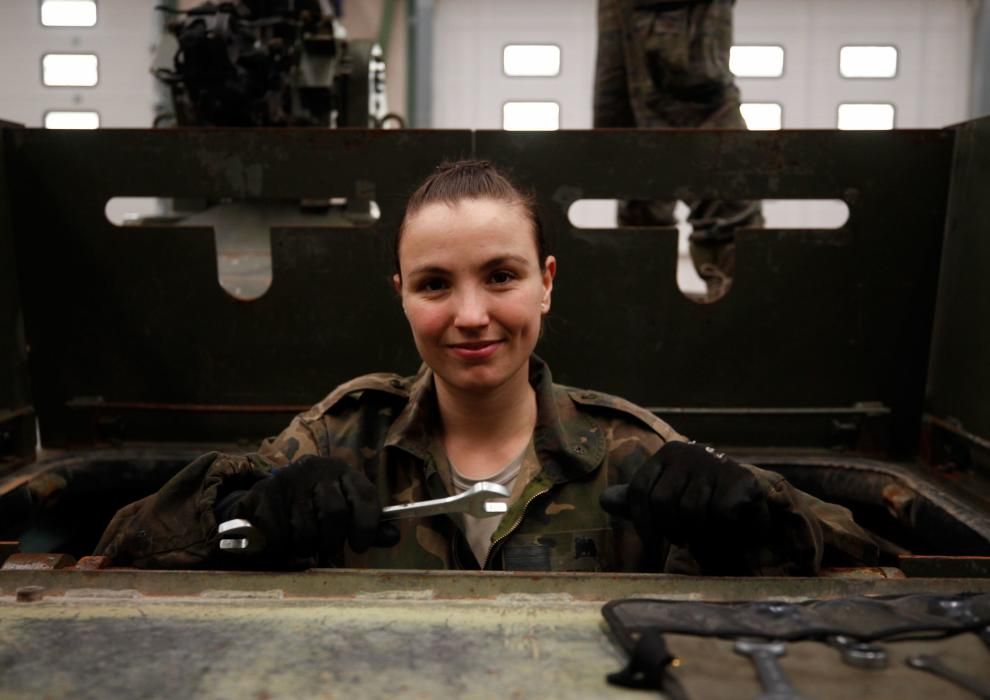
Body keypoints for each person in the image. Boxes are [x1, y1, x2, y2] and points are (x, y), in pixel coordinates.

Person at [95, 160, 876, 574]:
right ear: (402, 296)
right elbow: (127, 546)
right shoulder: (342, 437)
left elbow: (856, 554)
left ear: (546, 282)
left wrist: (752, 514)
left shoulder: (625, 449)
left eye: (501, 276)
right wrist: (248, 510)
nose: (470, 315)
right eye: (435, 284)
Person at [594, 0, 764, 301]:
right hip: (656, 30)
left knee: (721, 202)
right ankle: (643, 310)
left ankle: (737, 313)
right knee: (637, 177)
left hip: (673, 35)